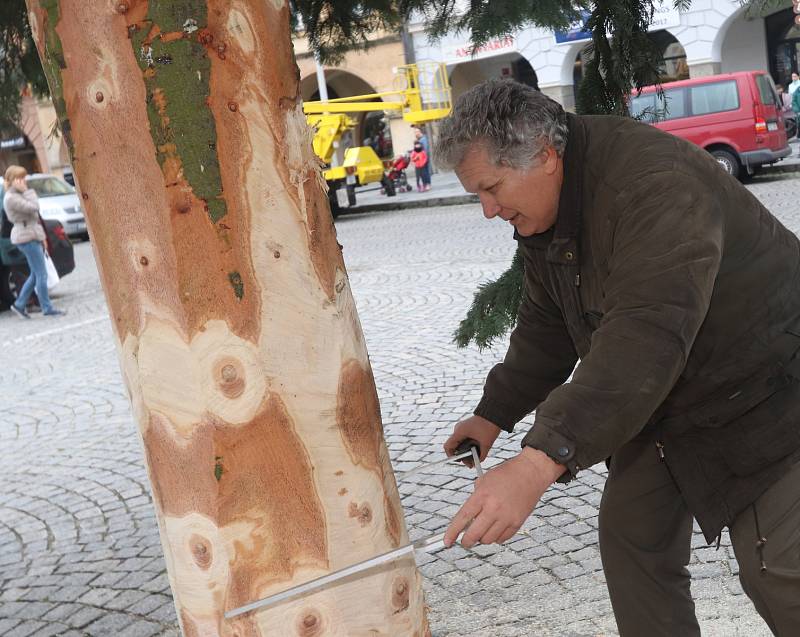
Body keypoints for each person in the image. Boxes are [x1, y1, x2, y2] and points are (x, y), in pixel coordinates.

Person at [437, 80, 800, 636]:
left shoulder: (654, 186)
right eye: (476, 195)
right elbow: (549, 323)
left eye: (491, 188)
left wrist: (536, 463)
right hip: (669, 401)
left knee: (777, 568)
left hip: (772, 389)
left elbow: (646, 336)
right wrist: (494, 412)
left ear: (545, 155)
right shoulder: (547, 207)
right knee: (634, 538)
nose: (488, 211)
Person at [3, 165, 64, 318]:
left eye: (24, 178)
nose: (24, 181)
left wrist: (42, 238)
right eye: (20, 178)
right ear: (12, 180)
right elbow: (34, 207)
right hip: (26, 237)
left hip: (31, 235)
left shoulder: (17, 194)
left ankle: (19, 304)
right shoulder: (12, 197)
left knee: (36, 274)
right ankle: (47, 307)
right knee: (41, 274)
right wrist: (28, 191)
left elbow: (34, 219)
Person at [412, 126, 432, 190]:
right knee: (423, 173)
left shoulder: (423, 139)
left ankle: (428, 184)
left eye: (416, 132)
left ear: (419, 132)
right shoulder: (419, 140)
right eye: (415, 132)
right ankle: (425, 184)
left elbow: (425, 149)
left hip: (423, 159)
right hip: (420, 160)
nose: (415, 133)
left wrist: (424, 159)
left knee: (425, 172)